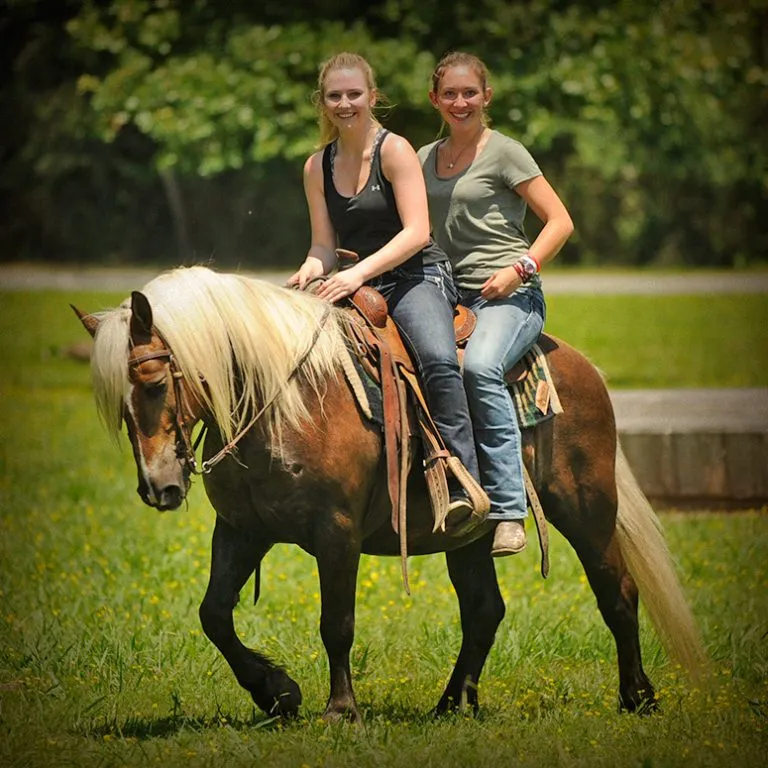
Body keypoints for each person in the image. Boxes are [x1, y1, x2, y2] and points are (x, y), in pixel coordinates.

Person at [288, 52, 483, 525]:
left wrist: (355, 274)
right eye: (335, 96)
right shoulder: (317, 166)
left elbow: (417, 232)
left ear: (371, 97)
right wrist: (308, 271)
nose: (345, 103)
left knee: (437, 358)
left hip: (416, 276)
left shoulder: (394, 150)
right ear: (323, 102)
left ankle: (462, 477)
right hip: (353, 283)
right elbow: (323, 244)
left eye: (354, 94)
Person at [417, 51, 574, 557]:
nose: (459, 102)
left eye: (469, 93)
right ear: (434, 99)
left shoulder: (507, 152)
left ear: (486, 97)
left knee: (481, 367)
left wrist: (518, 271)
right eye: (449, 94)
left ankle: (509, 510)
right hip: (446, 291)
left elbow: (560, 222)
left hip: (511, 295)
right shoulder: (421, 158)